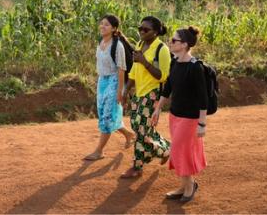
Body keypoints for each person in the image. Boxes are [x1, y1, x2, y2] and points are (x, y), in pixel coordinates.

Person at [151, 26, 207, 203]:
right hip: (175, 115)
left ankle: (190, 185)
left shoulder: (195, 67)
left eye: (174, 40)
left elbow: (203, 97)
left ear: (184, 44)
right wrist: (158, 108)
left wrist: (202, 123)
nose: (170, 42)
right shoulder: (175, 62)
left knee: (179, 150)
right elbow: (168, 88)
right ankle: (184, 186)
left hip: (190, 118)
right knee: (178, 150)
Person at [120, 16, 171, 178]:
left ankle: (137, 167)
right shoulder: (140, 44)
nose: (141, 31)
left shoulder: (161, 49)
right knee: (139, 127)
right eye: (140, 28)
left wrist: (144, 62)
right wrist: (126, 89)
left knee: (141, 130)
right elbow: (134, 71)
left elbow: (163, 76)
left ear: (155, 32)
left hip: (152, 94)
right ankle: (165, 149)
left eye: (146, 29)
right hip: (139, 93)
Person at [84, 14, 136, 161]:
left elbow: (121, 69)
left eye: (106, 25)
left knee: (107, 117)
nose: (102, 26)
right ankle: (128, 134)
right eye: (101, 24)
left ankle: (99, 151)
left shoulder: (117, 45)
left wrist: (121, 91)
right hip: (102, 82)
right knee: (104, 114)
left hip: (114, 81)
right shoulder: (101, 43)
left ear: (114, 28)